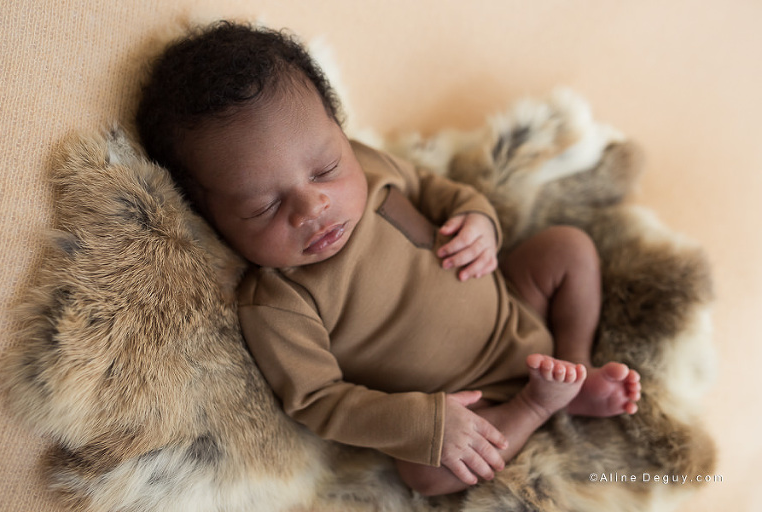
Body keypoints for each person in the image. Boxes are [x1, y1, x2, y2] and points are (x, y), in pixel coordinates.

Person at [136, 21, 641, 496]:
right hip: (468, 400)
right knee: (425, 473)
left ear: (340, 131)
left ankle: (575, 368)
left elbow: (434, 190)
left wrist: (477, 221)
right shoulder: (278, 301)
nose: (312, 206)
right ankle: (538, 405)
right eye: (264, 206)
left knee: (567, 247)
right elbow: (318, 401)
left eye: (325, 167)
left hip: (515, 305)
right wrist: (423, 423)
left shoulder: (370, 164)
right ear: (209, 217)